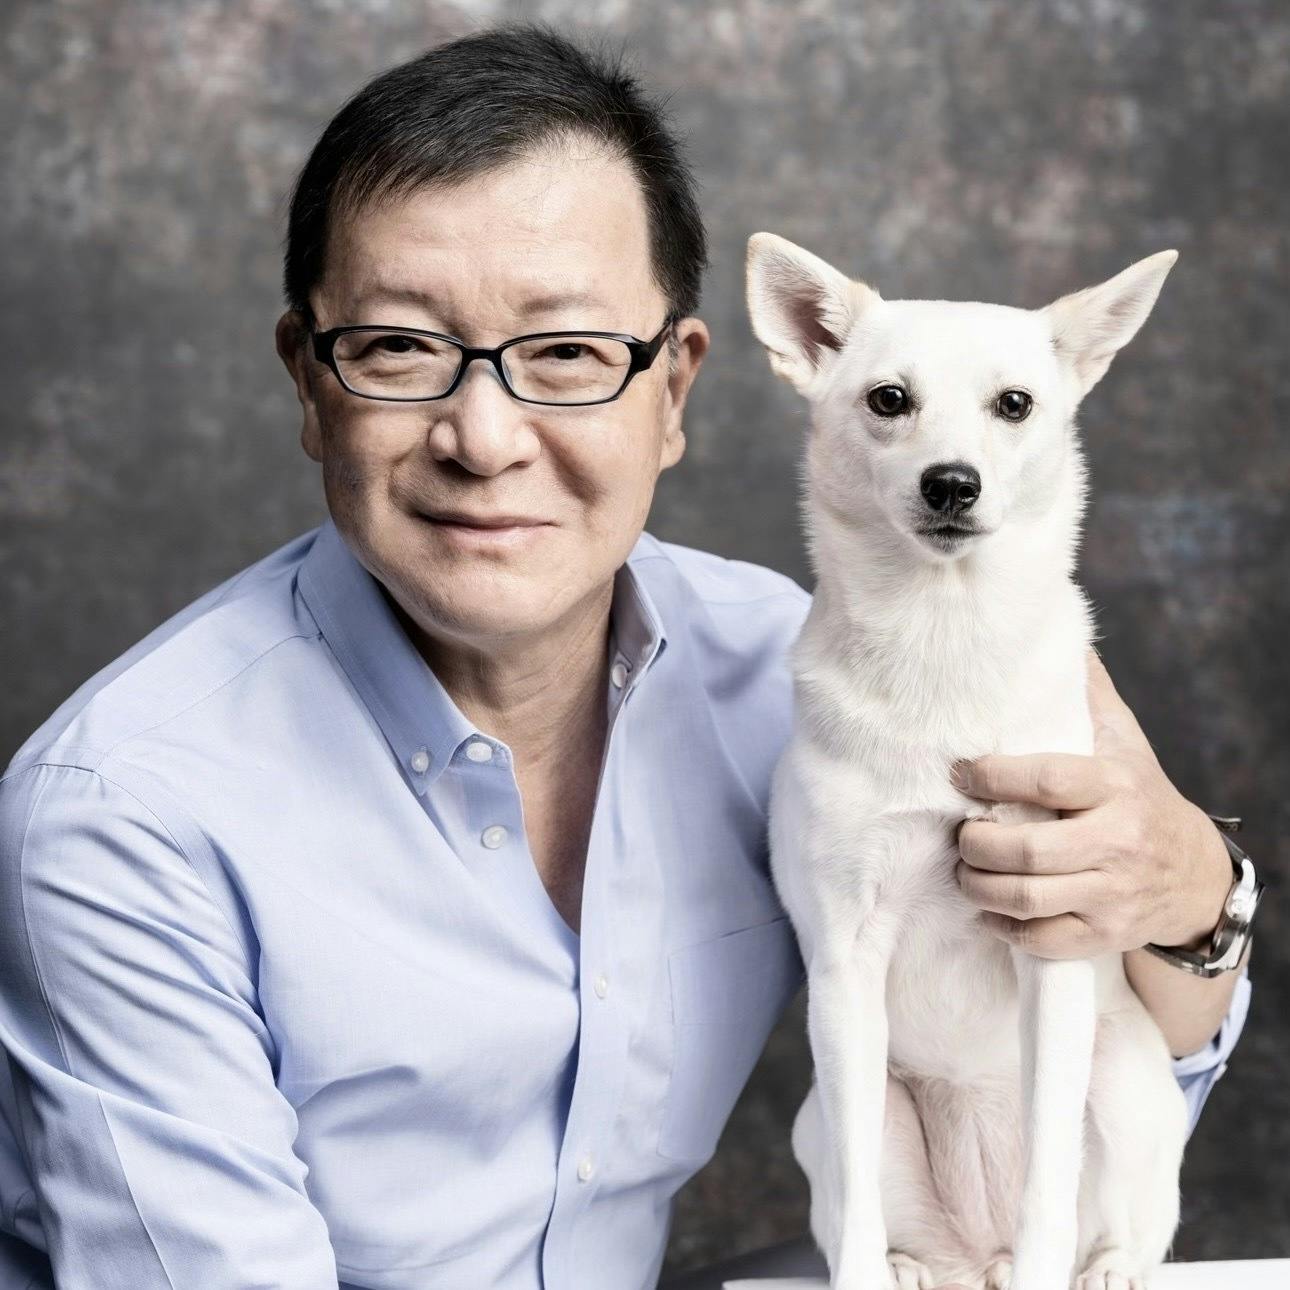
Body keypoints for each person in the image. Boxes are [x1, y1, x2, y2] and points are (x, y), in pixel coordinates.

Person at [0, 23, 1253, 1290]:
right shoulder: (125, 820)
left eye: (567, 355)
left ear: (674, 394)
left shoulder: (792, 673)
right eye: (399, 348)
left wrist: (1197, 894)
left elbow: (1121, 1075)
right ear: (309, 384)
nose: (484, 438)